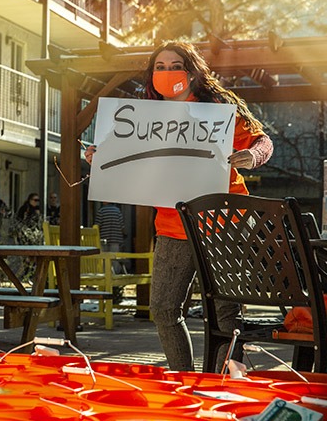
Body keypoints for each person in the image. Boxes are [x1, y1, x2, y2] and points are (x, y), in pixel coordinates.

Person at [85, 41, 273, 372]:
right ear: (151, 73)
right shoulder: (142, 117)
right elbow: (116, 155)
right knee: (164, 309)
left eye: (176, 65)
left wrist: (253, 156)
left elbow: (263, 141)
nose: (167, 72)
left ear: (192, 71)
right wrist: (98, 158)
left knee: (226, 314)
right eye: (160, 66)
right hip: (173, 226)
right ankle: (183, 382)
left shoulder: (217, 110)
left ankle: (221, 386)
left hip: (224, 224)